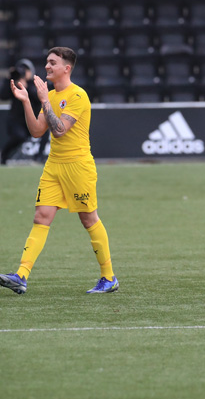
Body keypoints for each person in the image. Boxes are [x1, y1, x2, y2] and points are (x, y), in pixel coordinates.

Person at [0, 47, 118, 295]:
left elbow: (60, 130)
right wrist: (25, 102)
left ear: (67, 68)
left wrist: (43, 100)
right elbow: (36, 131)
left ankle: (109, 277)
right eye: (46, 62)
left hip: (78, 166)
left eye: (52, 63)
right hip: (54, 165)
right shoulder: (51, 96)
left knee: (88, 219)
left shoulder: (77, 96)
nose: (47, 67)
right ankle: (21, 275)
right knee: (41, 216)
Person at [1, 58, 49, 165]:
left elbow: (39, 98)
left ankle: (39, 157)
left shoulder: (35, 83)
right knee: (19, 136)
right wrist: (8, 79)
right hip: (17, 121)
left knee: (45, 131)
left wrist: (26, 87)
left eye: (25, 69)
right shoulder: (14, 84)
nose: (23, 72)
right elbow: (3, 96)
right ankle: (4, 155)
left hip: (33, 119)